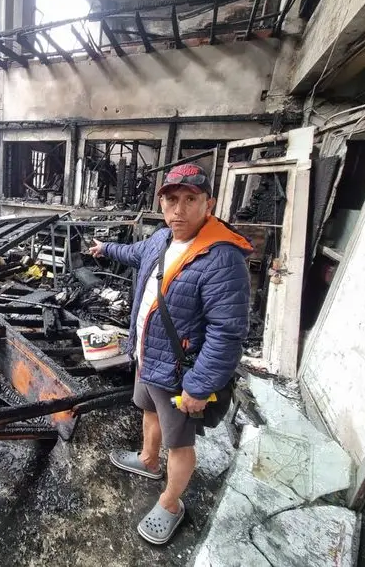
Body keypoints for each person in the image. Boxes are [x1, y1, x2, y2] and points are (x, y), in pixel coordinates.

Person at [89, 163, 252, 544]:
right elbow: (131, 252)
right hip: (148, 357)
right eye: (171, 200)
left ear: (207, 204)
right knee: (148, 410)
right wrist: (103, 248)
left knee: (180, 443)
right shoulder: (161, 239)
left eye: (190, 200)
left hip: (182, 372)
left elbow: (227, 333)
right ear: (162, 204)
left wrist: (200, 385)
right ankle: (148, 460)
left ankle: (171, 502)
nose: (179, 210)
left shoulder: (221, 259)